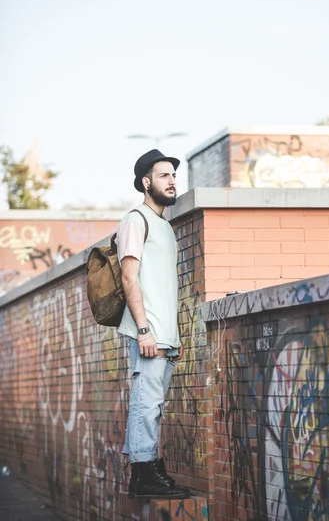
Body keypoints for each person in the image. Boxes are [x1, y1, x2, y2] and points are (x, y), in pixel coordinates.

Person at [116, 149, 190, 499]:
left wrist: (171, 335)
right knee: (146, 403)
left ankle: (149, 467)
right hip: (148, 332)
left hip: (165, 334)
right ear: (146, 182)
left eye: (174, 175)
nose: (172, 181)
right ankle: (143, 473)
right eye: (164, 175)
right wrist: (144, 329)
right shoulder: (136, 219)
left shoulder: (164, 225)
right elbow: (129, 278)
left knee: (154, 405)